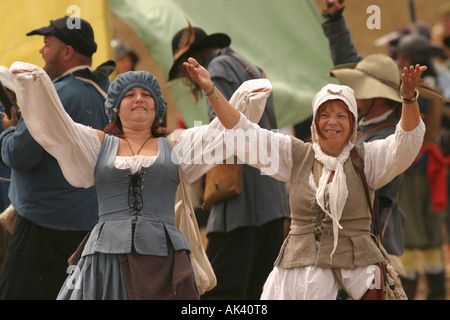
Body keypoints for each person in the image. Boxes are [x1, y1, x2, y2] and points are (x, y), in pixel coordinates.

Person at [9, 52, 273, 299]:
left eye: (146, 94)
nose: (138, 99)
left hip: (164, 258)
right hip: (105, 258)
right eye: (129, 95)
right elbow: (60, 127)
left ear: (156, 105)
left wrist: (219, 91)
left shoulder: (176, 144)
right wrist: (36, 83)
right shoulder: (98, 144)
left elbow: (224, 133)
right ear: (115, 107)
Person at [182, 57, 426, 299]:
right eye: (324, 114)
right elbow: (242, 131)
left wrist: (408, 99)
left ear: (352, 122)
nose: (332, 122)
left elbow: (405, 143)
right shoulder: (295, 155)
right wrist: (210, 89)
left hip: (356, 277)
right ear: (314, 121)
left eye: (341, 115)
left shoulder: (367, 159)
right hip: (296, 280)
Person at [168, 24, 290, 299]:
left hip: (242, 201)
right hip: (269, 197)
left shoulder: (220, 68)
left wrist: (212, 181)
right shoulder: (246, 64)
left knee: (217, 290)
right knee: (257, 291)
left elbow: (223, 131)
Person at [0, 16, 112, 299]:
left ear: (66, 52)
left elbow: (19, 155)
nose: (41, 51)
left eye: (46, 45)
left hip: (42, 230)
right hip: (92, 228)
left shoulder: (53, 95)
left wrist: (8, 134)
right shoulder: (112, 94)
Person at [320, 0, 407, 275]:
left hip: (373, 239)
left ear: (377, 97)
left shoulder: (392, 136)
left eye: (360, 89)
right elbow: (347, 57)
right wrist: (335, 21)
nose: (352, 94)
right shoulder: (369, 120)